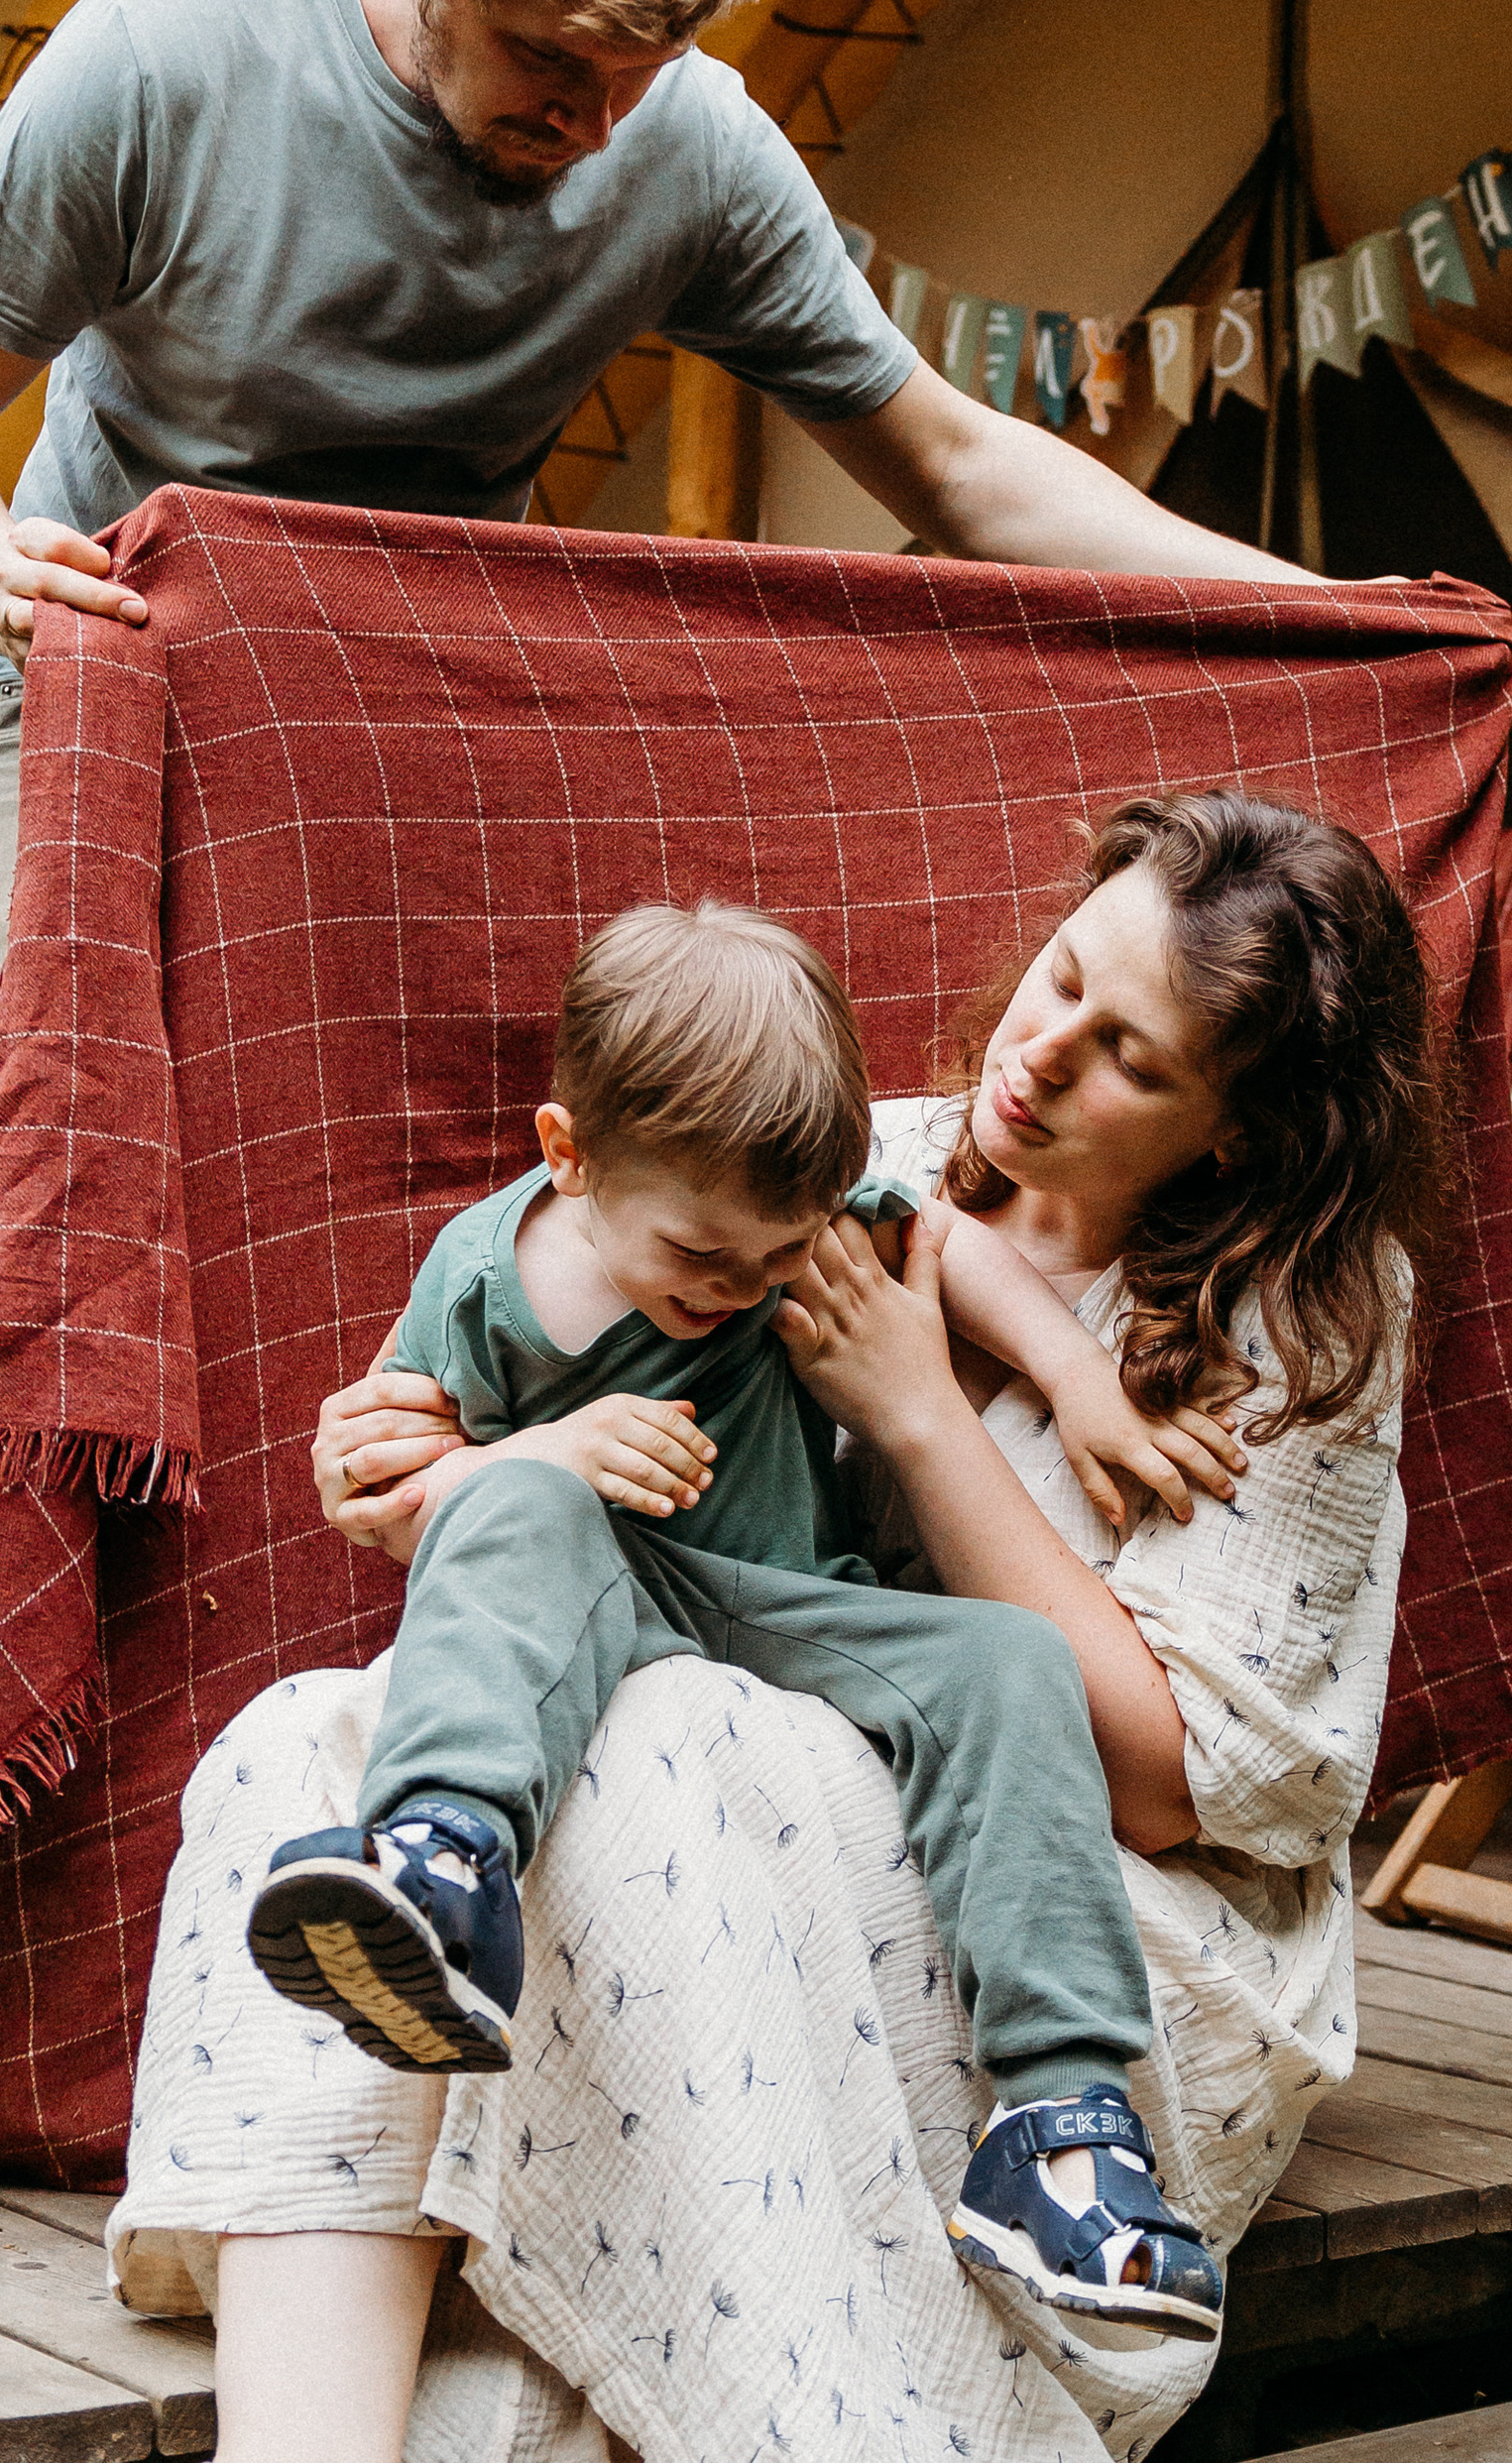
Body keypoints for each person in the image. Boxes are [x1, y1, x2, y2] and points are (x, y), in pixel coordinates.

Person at [0, 790, 1447, 2463]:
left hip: (1097, 1931)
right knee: (302, 1742)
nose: (1039, 1053)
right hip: (746, 1802)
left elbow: (1168, 1771)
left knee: (687, 1742)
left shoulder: (1301, 1322)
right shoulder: (848, 1152)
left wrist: (912, 1410)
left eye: (1125, 1051)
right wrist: (425, 1479)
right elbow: (556, 1412)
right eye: (1059, 979)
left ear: (1230, 1129)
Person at [0, 0, 1312, 1037]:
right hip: (106, 685)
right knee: (84, 1143)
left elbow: (953, 461)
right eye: (550, 64)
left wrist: (1317, 618)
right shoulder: (159, 61)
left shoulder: (694, 146)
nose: (594, 130)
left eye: (636, 79)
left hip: (427, 707)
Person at [245, 896, 1240, 2337]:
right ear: (567, 1155)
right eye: (704, 1261)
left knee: (1016, 1657)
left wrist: (1080, 1380)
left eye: (774, 1261)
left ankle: (1065, 2133)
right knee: (510, 1508)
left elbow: (941, 1247)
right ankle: (442, 1862)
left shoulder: (778, 1230)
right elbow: (406, 1506)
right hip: (593, 1604)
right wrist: (536, 1456)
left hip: (789, 1613)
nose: (742, 1293)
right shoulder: (480, 1283)